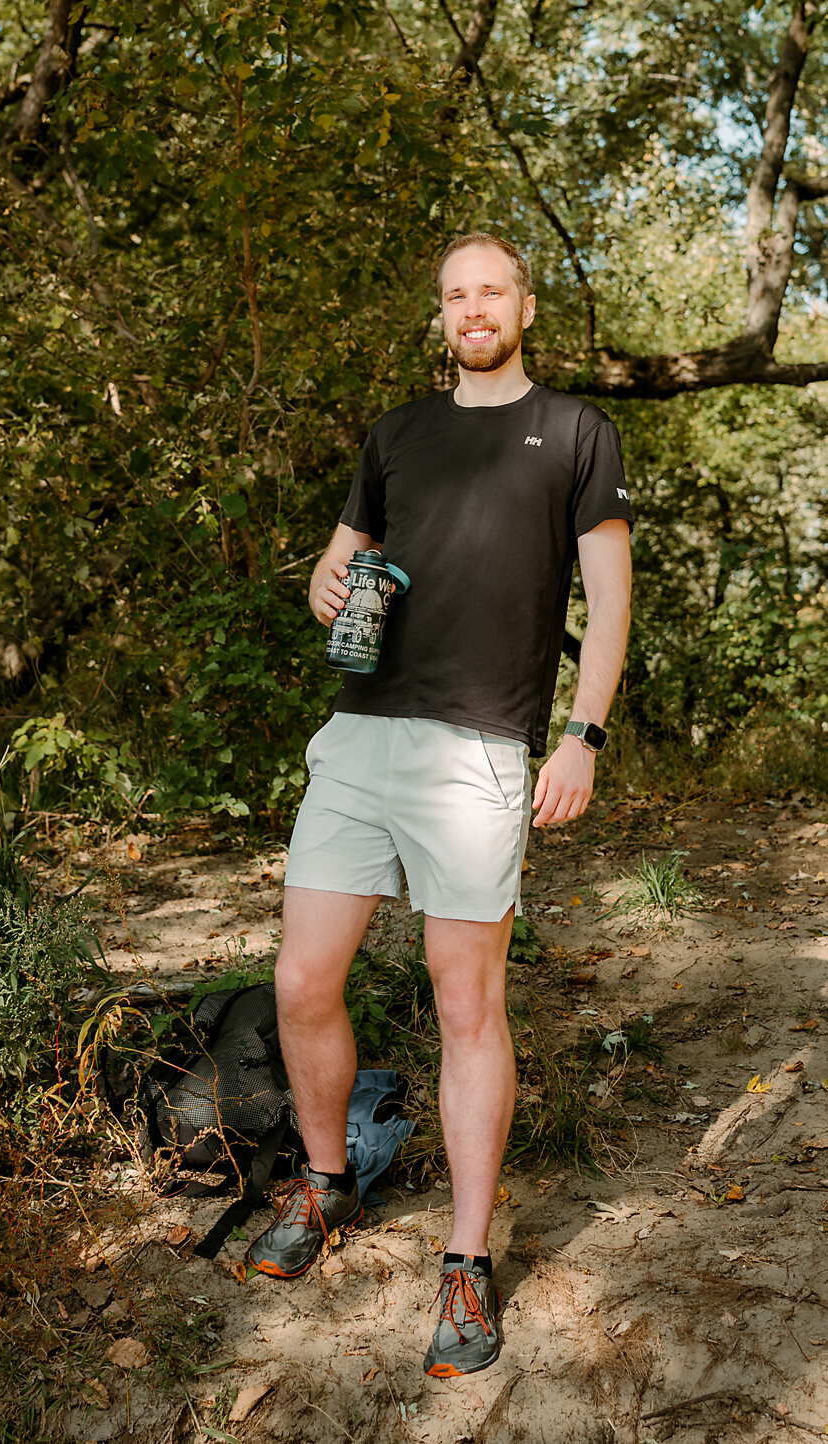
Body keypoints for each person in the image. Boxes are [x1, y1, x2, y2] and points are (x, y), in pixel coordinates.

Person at [247, 232, 633, 1378]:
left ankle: (466, 1266)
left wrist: (583, 736)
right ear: (442, 315)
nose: (473, 308)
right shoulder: (397, 435)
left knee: (466, 1003)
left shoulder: (574, 433)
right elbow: (339, 567)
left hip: (483, 751)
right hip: (361, 735)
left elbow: (607, 600)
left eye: (491, 292)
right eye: (456, 295)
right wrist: (326, 584)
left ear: (524, 307)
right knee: (301, 980)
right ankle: (325, 1184)